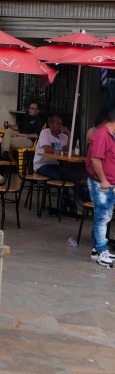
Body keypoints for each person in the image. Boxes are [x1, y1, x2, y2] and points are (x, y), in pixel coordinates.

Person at [86, 108, 115, 268]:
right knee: (102, 216)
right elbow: (96, 159)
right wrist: (103, 179)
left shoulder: (110, 136)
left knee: (105, 215)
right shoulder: (102, 135)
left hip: (108, 183)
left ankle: (97, 250)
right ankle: (101, 250)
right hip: (100, 182)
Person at [32, 115, 68, 180]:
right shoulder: (45, 132)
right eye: (58, 124)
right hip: (41, 164)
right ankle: (61, 190)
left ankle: (68, 190)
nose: (60, 126)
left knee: (70, 178)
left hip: (54, 164)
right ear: (50, 124)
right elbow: (47, 149)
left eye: (61, 124)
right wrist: (62, 150)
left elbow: (68, 150)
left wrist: (69, 133)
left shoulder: (63, 136)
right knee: (58, 178)